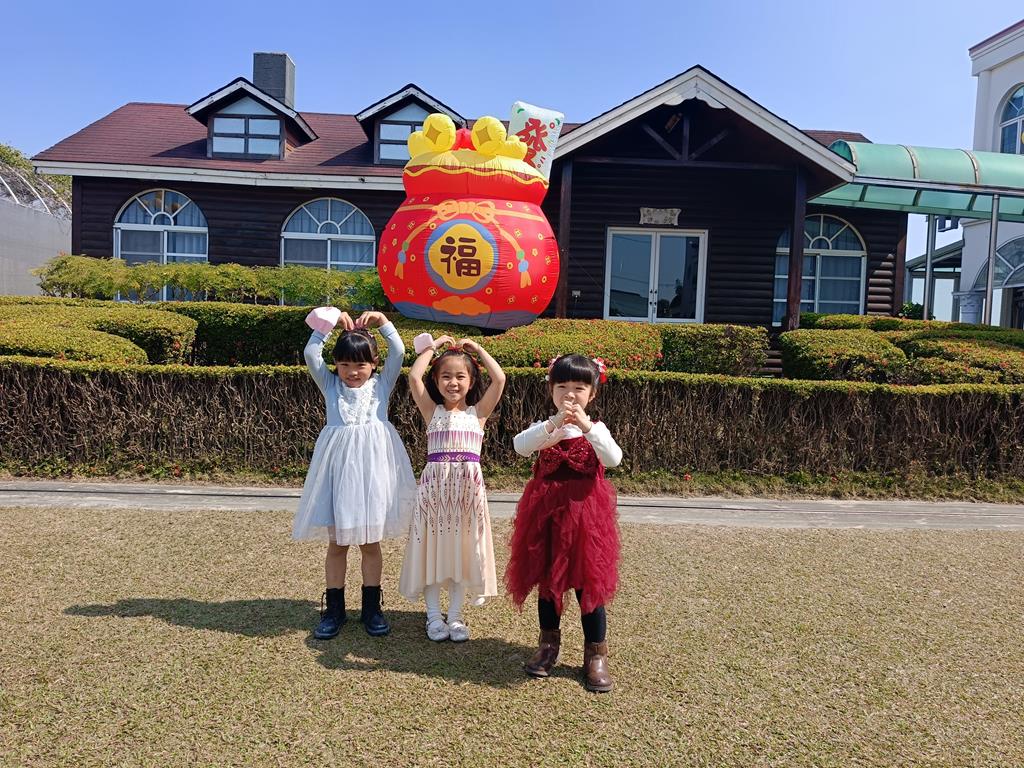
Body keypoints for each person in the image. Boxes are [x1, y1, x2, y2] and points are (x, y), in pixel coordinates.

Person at [292, 307, 415, 639]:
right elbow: (311, 353)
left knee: (370, 543)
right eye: (345, 364)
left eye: (360, 364)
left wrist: (383, 322)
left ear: (374, 363)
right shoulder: (330, 385)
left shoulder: (381, 385)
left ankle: (372, 609)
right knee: (337, 543)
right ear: (336, 364)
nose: (352, 372)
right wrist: (330, 322)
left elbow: (399, 351)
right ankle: (335, 610)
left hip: (373, 476)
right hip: (338, 475)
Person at [506, 354, 623, 692]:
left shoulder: (596, 429)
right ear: (551, 390)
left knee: (589, 585)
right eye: (562, 387)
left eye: (579, 388)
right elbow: (520, 446)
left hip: (587, 520)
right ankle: (548, 646)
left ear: (592, 393)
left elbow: (613, 458)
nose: (570, 394)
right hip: (546, 516)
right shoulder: (546, 427)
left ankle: (595, 655)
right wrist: (553, 425)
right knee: (549, 583)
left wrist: (586, 427)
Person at [398, 334, 506, 642]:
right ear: (436, 380)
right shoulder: (432, 412)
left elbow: (499, 379)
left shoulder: (478, 414)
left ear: (471, 382)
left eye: (461, 376)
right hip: (434, 495)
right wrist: (432, 347)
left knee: (462, 552)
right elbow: (414, 376)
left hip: (466, 496)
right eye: (445, 376)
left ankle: (455, 616)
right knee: (431, 553)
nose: (453, 382)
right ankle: (434, 617)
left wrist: (479, 350)